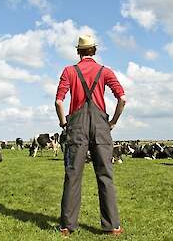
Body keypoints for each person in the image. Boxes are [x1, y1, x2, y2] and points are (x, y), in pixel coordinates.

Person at [55, 34, 126, 237]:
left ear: (78, 51)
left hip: (76, 126)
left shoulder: (69, 71)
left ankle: (67, 226)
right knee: (105, 175)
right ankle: (112, 226)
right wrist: (113, 122)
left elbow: (59, 101)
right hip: (101, 126)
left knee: (73, 175)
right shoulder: (105, 71)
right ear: (94, 51)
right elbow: (122, 98)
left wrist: (63, 123)